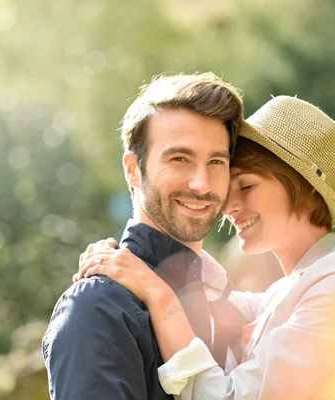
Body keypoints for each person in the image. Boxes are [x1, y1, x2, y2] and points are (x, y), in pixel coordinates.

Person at [76, 96, 335, 399]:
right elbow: (214, 301)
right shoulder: (289, 290)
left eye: (247, 186)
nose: (229, 204)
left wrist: (155, 291)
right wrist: (129, 259)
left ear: (304, 188)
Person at [42, 72, 249, 400]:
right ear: (132, 169)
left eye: (215, 161)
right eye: (180, 159)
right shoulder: (98, 308)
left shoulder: (230, 306)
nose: (201, 183)